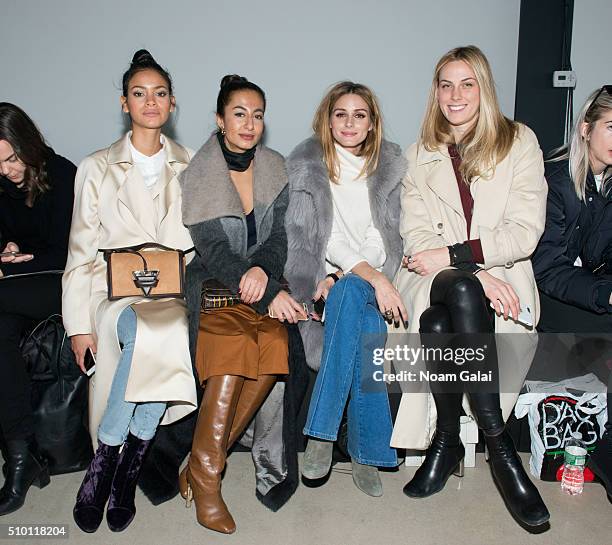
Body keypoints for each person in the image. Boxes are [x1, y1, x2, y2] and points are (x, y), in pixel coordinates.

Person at [392, 45, 550, 528]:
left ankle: (446, 441)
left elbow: (525, 231)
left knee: (444, 318)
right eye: (445, 84)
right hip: (430, 276)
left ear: (484, 88)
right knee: (458, 292)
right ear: (435, 92)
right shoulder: (418, 155)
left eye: (467, 83)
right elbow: (418, 237)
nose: (455, 95)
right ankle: (501, 449)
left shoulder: (519, 142)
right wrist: (472, 271)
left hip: (500, 277)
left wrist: (466, 262)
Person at [62, 50, 197, 533]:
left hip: (172, 291)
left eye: (160, 93)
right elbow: (80, 251)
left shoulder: (193, 164)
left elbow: (201, 242)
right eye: (139, 93)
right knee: (151, 330)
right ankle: (116, 464)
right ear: (125, 103)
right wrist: (78, 327)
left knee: (168, 327)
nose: (150, 102)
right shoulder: (95, 167)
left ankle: (114, 467)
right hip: (114, 293)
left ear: (173, 103)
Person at [178, 75, 305, 535]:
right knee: (232, 353)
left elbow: (277, 238)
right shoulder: (199, 172)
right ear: (219, 119)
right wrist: (265, 288)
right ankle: (208, 482)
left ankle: (199, 460)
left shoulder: (275, 166)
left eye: (257, 115)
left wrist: (265, 276)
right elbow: (213, 250)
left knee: (274, 349)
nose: (249, 123)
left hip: (263, 283)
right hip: (214, 286)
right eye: (239, 113)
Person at [284, 81, 407, 496]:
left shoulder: (386, 168)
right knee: (365, 324)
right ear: (327, 119)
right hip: (329, 280)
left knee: (352, 293)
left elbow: (380, 235)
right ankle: (366, 451)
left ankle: (320, 433)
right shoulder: (308, 166)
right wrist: (360, 278)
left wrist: (356, 275)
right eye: (341, 114)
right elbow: (326, 237)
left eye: (360, 115)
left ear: (372, 124)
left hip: (358, 278)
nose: (349, 122)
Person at [532, 85, 612, 501]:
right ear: (585, 128)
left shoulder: (610, 181)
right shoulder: (557, 180)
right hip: (547, 297)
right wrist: (606, 295)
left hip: (585, 290)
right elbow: (547, 269)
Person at [0, 102, 76, 515]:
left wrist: (17, 261)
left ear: (28, 144)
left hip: (61, 280)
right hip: (17, 285)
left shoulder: (62, 174)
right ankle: (20, 456)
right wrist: (6, 252)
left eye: (12, 158)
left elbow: (69, 253)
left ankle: (20, 459)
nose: (8, 170)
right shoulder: (0, 184)